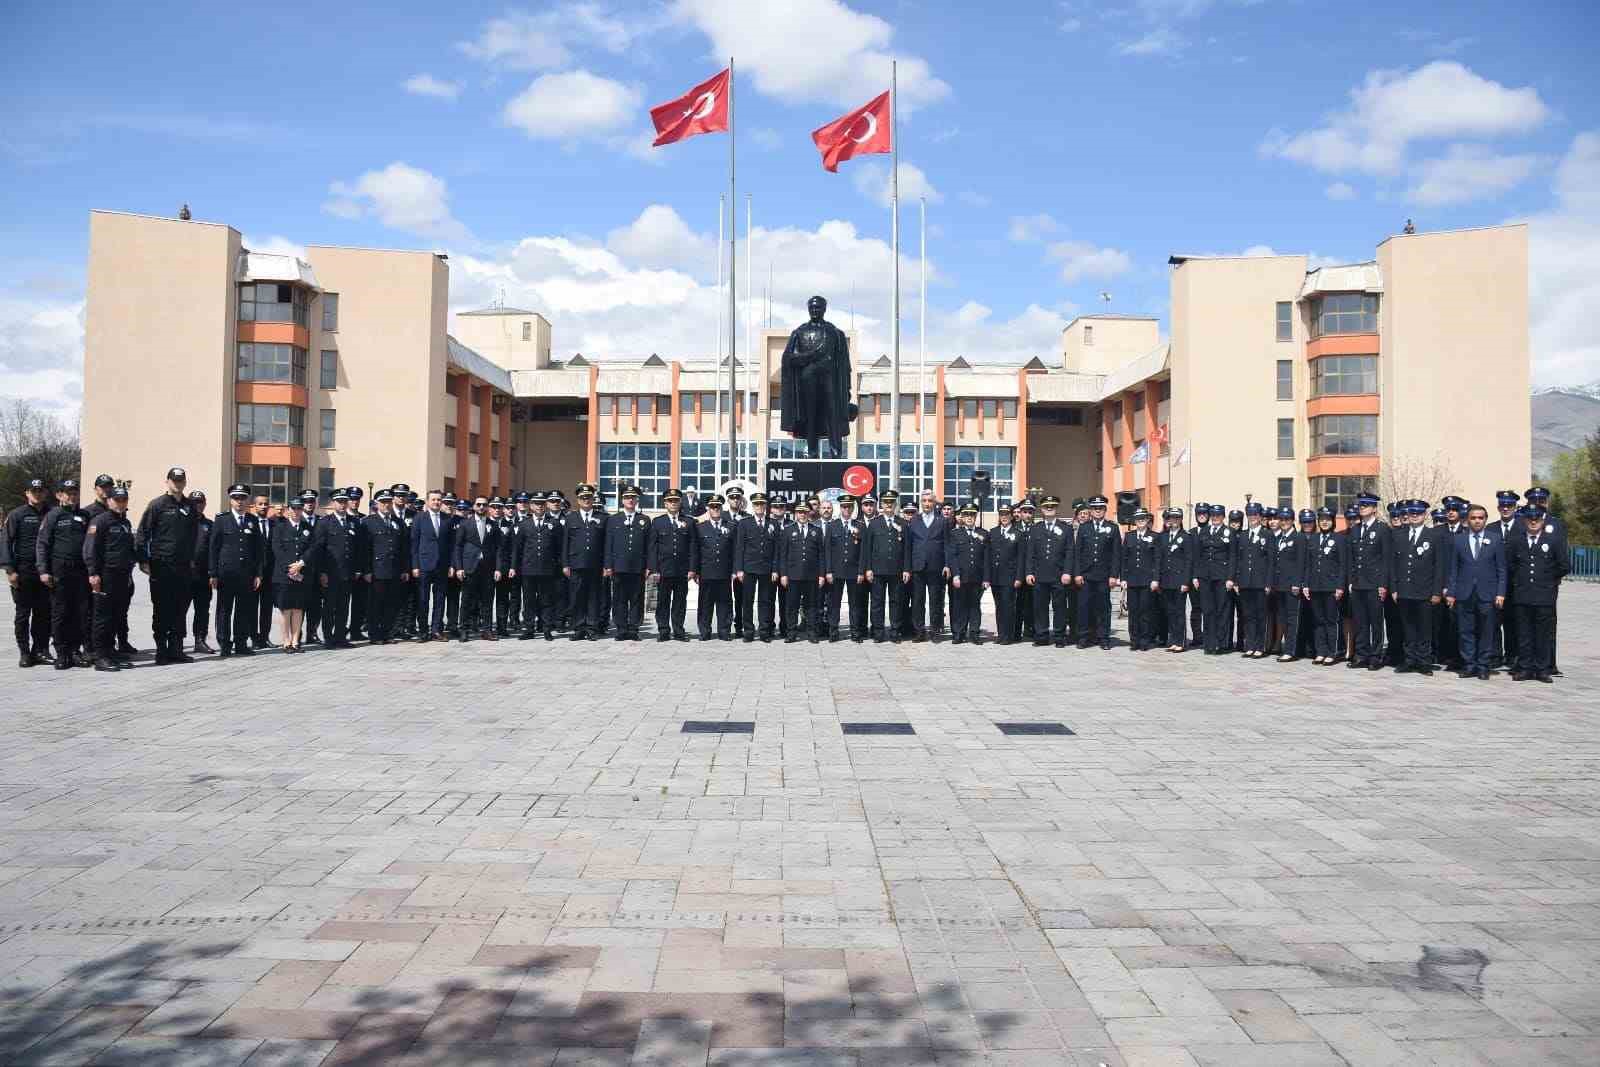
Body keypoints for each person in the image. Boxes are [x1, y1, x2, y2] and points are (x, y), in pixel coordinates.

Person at [136, 466, 198, 664]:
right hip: (162, 566)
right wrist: (143, 560)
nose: (177, 484)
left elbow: (194, 535)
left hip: (183, 567)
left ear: (185, 483)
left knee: (180, 609)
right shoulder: (157, 505)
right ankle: (161, 650)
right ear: (167, 482)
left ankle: (176, 649)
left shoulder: (190, 506)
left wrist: (193, 559)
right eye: (174, 480)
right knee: (162, 609)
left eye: (181, 481)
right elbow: (142, 533)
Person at [1505, 504, 1567, 682]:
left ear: (1542, 520)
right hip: (1522, 594)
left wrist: (1548, 580)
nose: (1533, 522)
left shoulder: (1553, 541)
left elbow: (1564, 565)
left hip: (1544, 595)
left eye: (1537, 519)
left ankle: (1542, 669)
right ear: (1524, 521)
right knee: (1523, 634)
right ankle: (1525, 668)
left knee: (1543, 634)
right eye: (1530, 519)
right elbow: (1510, 564)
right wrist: (1520, 580)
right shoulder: (1516, 541)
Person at [1445, 503, 1505, 680]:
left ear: (1485, 520)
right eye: (1473, 518)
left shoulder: (1495, 539)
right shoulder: (1459, 540)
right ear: (1467, 520)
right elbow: (1453, 569)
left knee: (1486, 631)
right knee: (1466, 631)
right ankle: (1469, 665)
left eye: (1480, 518)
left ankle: (1483, 665)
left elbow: (1501, 569)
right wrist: (1451, 593)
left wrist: (1500, 593)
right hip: (1464, 593)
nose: (1477, 521)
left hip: (1487, 594)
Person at [38, 479, 93, 669]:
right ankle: (62, 653)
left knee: (80, 612)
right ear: (59, 495)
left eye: (75, 493)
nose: (72, 496)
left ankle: (75, 651)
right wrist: (43, 570)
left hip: (81, 570)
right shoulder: (53, 515)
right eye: (68, 493)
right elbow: (42, 544)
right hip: (60, 569)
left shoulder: (85, 515)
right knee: (60, 613)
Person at [1389, 499, 1448, 675]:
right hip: (1404, 590)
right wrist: (1394, 588)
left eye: (1419, 513)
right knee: (1408, 628)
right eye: (1412, 513)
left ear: (1425, 515)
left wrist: (1437, 591)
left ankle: (1423, 661)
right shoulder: (1399, 535)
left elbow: (1439, 566)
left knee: (1424, 628)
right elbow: (1393, 565)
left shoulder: (1434, 536)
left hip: (1425, 591)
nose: (1415, 516)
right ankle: (1409, 660)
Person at [83, 485, 137, 671]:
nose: (120, 503)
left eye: (124, 500)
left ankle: (110, 651)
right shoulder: (100, 521)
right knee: (102, 617)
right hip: (105, 575)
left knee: (116, 616)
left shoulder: (125, 523)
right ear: (109, 501)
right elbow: (90, 549)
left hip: (122, 576)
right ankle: (100, 656)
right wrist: (93, 573)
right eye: (117, 500)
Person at [3, 477, 53, 667]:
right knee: (23, 614)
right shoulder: (17, 515)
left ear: (45, 493)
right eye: (34, 491)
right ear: (27, 493)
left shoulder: (52, 513)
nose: (37, 494)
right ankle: (24, 652)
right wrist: (10, 570)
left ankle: (40, 650)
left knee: (44, 614)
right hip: (24, 571)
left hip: (45, 572)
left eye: (40, 490)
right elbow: (5, 542)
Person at [209, 484, 263, 657]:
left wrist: (258, 573)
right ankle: (224, 644)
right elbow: (214, 548)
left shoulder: (252, 520)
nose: (239, 501)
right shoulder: (221, 519)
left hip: (246, 574)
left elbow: (258, 550)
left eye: (243, 498)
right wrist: (213, 573)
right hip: (226, 574)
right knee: (224, 610)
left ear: (247, 500)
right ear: (230, 500)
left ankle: (241, 643)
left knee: (243, 609)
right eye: (236, 498)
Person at [1346, 492, 1390, 670]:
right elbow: (1351, 558)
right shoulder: (1355, 529)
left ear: (1374, 509)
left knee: (1376, 623)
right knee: (1360, 622)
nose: (1362, 508)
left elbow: (1386, 559)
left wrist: (1383, 584)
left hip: (1374, 583)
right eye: (1361, 505)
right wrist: (1350, 581)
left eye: (1366, 505)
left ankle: (1375, 656)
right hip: (1358, 584)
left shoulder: (1382, 529)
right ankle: (1361, 654)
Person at [310, 488, 359, 648]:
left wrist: (357, 569)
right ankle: (328, 637)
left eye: (345, 501)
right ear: (333, 503)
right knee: (329, 607)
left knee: (344, 607)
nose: (342, 504)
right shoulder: (324, 522)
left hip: (347, 572)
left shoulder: (353, 521)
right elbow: (319, 549)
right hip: (331, 573)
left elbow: (357, 547)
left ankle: (340, 637)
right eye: (339, 502)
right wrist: (322, 572)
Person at [512, 491, 563, 641]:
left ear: (545, 505)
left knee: (546, 600)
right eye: (536, 504)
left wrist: (559, 565)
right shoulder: (524, 524)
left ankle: (546, 628)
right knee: (528, 601)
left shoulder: (554, 523)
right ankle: (529, 629)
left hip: (547, 569)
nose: (539, 506)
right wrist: (514, 567)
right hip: (529, 569)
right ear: (531, 506)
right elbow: (518, 548)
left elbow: (560, 547)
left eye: (542, 504)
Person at [1074, 495, 1121, 649]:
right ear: (1091, 510)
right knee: (1084, 607)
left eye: (1100, 508)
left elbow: (1116, 554)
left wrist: (1114, 575)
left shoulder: (1112, 528)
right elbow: (1078, 553)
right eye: (1095, 508)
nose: (1098, 511)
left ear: (1105, 510)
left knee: (1103, 608)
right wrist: (1077, 573)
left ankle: (1104, 638)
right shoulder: (1084, 527)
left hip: (1103, 575)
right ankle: (1084, 637)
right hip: (1086, 575)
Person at [1025, 495, 1073, 647]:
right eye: (1046, 506)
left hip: (1059, 575)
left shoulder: (1066, 528)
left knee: (1060, 607)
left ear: (1056, 508)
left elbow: (1069, 552)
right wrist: (1029, 572)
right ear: (1042, 509)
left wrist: (1067, 572)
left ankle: (1059, 636)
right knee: (1040, 607)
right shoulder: (1035, 529)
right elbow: (1030, 553)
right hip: (1040, 575)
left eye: (1052, 506)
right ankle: (1041, 636)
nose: (1049, 508)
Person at [777, 499, 828, 642]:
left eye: (805, 512)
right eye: (800, 512)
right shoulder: (788, 530)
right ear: (795, 513)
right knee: (791, 606)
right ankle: (791, 633)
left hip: (811, 576)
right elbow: (783, 555)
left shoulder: (816, 530)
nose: (802, 515)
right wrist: (783, 574)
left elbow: (821, 555)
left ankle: (812, 633)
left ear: (809, 513)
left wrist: (821, 575)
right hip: (793, 575)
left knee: (811, 606)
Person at [604, 485, 650, 641]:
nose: (630, 500)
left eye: (633, 497)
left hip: (638, 567)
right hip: (619, 566)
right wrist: (608, 565)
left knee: (637, 599)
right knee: (619, 599)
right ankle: (621, 629)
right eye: (626, 497)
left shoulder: (644, 520)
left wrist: (649, 566)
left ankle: (634, 629)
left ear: (637, 500)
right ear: (622, 500)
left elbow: (649, 545)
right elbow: (608, 544)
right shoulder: (613, 519)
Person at [863, 489, 909, 643]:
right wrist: (868, 568)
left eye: (891, 502)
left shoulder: (903, 523)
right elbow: (867, 549)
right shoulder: (874, 523)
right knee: (877, 602)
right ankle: (878, 632)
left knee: (896, 602)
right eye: (886, 502)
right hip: (878, 570)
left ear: (895, 505)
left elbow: (907, 549)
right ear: (881, 505)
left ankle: (895, 631)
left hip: (896, 570)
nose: (889, 505)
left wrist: (906, 569)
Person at [363, 490, 409, 644]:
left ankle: (387, 633)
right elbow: (365, 549)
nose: (386, 505)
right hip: (377, 570)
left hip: (394, 569)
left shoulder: (398, 522)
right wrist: (367, 570)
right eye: (383, 502)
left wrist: (404, 569)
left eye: (389, 502)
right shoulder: (369, 522)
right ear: (377, 504)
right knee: (376, 604)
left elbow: (403, 547)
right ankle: (375, 634)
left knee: (391, 604)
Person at [733, 492, 780, 642]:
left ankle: (764, 631)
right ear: (753, 506)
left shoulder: (773, 523)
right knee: (747, 601)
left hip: (766, 568)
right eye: (757, 504)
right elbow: (739, 548)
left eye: (762, 504)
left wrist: (775, 569)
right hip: (749, 568)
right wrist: (739, 569)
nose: (759, 506)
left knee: (765, 601)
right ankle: (748, 631)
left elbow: (776, 549)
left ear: (766, 506)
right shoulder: (744, 523)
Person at [648, 488, 693, 642]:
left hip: (682, 570)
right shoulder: (658, 522)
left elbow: (692, 547)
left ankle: (679, 631)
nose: (673, 503)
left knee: (680, 602)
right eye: (670, 501)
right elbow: (653, 547)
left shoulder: (688, 521)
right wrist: (654, 569)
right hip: (663, 570)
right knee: (663, 602)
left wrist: (692, 569)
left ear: (680, 503)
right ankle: (663, 631)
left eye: (676, 501)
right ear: (665, 503)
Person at [454, 496, 501, 642]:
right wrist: (459, 567)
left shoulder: (493, 525)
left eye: (484, 505)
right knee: (467, 601)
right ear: (474, 506)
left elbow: (498, 548)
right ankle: (464, 630)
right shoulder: (465, 524)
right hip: (470, 567)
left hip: (487, 568)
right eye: (478, 504)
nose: (481, 507)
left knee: (487, 601)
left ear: (487, 507)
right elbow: (458, 546)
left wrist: (498, 568)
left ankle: (487, 630)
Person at [562, 483, 606, 640]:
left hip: (596, 564)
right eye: (583, 498)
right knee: (577, 597)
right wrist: (565, 564)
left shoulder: (602, 518)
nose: (586, 500)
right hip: (576, 564)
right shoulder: (570, 518)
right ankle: (579, 628)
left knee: (594, 597)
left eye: (589, 497)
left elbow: (606, 543)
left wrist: (607, 565)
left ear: (593, 499)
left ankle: (592, 628)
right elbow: (566, 543)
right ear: (578, 500)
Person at [270, 496, 312, 652]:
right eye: (294, 508)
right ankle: (286, 641)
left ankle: (295, 641)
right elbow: (277, 549)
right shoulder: (280, 527)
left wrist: (300, 564)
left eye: (299, 508)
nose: (296, 511)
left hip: (301, 573)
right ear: (288, 510)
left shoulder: (308, 527)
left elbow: (311, 548)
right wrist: (291, 568)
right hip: (284, 574)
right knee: (286, 609)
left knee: (298, 608)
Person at [411, 489, 454, 641]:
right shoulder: (419, 518)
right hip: (424, 564)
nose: (436, 502)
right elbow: (414, 543)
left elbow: (451, 545)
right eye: (433, 499)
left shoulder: (447, 519)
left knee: (439, 599)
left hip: (442, 565)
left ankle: (436, 630)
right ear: (427, 501)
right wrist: (415, 565)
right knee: (423, 599)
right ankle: (423, 631)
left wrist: (451, 565)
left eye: (439, 500)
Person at [690, 494, 735, 640]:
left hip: (724, 572)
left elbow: (734, 551)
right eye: (712, 507)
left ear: (722, 508)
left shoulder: (731, 526)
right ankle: (704, 631)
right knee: (705, 604)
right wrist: (695, 571)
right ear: (708, 509)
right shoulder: (700, 527)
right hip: (706, 572)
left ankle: (724, 631)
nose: (715, 509)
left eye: (718, 507)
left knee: (725, 604)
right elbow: (696, 551)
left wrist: (734, 570)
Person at [906, 489, 948, 642]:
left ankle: (935, 631)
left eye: (930, 501)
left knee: (935, 600)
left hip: (936, 566)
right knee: (918, 601)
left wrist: (947, 564)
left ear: (934, 503)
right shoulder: (914, 520)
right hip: (918, 566)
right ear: (921, 503)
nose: (927, 504)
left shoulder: (942, 521)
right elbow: (909, 546)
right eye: (924, 501)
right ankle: (919, 631)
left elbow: (947, 545)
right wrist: (907, 568)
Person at [1273, 510, 1313, 662]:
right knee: (1283, 618)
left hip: (1292, 586)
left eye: (1287, 519)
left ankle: (1291, 650)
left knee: (1292, 619)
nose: (1284, 522)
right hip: (1280, 585)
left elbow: (1302, 562)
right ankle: (1288, 648)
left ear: (1292, 521)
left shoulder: (1299, 537)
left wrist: (1298, 583)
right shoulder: (1279, 538)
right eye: (1281, 519)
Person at [945, 503, 987, 644]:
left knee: (975, 606)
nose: (969, 517)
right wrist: (956, 575)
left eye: (972, 515)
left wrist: (986, 578)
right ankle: (959, 633)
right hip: (961, 577)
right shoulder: (955, 534)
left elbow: (986, 558)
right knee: (959, 606)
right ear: (962, 517)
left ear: (976, 517)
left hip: (977, 577)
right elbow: (953, 556)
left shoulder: (983, 534)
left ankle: (974, 633)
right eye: (966, 515)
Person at [1196, 505, 1235, 655]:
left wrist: (1230, 578)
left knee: (1222, 610)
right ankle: (1209, 643)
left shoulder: (1229, 532)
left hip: (1222, 577)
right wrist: (1196, 576)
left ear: (1223, 517)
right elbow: (1199, 555)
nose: (1215, 518)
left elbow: (1232, 557)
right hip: (1206, 577)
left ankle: (1220, 643)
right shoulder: (1204, 531)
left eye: (1218, 515)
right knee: (1207, 610)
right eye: (1213, 515)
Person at [1120, 509, 1159, 652]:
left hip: (1147, 580)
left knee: (1145, 611)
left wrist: (1155, 579)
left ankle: (1144, 640)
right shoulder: (1129, 536)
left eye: (1143, 518)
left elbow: (1157, 560)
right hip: (1132, 580)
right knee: (1133, 611)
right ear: (1135, 521)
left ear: (1148, 520)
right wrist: (1123, 578)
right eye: (1138, 518)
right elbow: (1124, 559)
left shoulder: (1154, 536)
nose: (1141, 521)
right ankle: (1134, 640)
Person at [1156, 507, 1193, 654]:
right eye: (1172, 518)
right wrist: (1157, 579)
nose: (1174, 520)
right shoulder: (1163, 537)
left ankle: (1180, 642)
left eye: (1177, 518)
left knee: (1179, 612)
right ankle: (1172, 640)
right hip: (1166, 579)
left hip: (1179, 580)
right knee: (1170, 612)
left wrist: (1186, 582)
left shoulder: (1186, 537)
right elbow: (1159, 559)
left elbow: (1188, 561)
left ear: (1181, 519)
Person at [185, 491, 215, 653]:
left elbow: (214, 550)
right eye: (194, 502)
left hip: (203, 575)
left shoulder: (209, 525)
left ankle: (200, 640)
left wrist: (213, 573)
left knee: (202, 609)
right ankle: (176, 642)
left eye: (200, 502)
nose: (198, 505)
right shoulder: (180, 522)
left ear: (205, 504)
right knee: (180, 610)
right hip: (183, 574)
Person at [299, 489, 324, 643]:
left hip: (317, 569)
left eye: (312, 501)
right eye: (306, 501)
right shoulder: (296, 519)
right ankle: (297, 634)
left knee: (316, 604)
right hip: (301, 570)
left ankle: (312, 633)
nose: (309, 504)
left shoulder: (322, 521)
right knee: (299, 603)